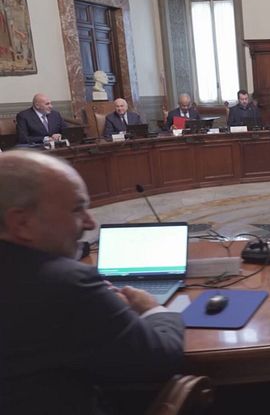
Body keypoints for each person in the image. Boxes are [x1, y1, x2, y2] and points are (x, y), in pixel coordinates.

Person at [0, 151, 184, 414]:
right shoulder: (66, 284)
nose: (90, 222)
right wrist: (153, 309)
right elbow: (160, 359)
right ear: (22, 223)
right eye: (77, 209)